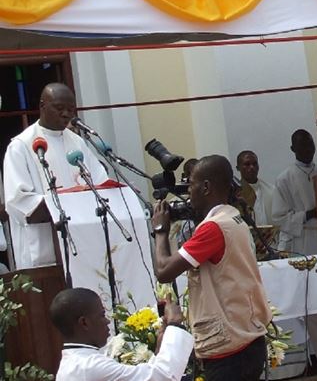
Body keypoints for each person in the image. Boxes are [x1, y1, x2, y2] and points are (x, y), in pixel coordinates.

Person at [152, 155, 272, 381]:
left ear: (206, 187)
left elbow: (164, 271)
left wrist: (160, 229)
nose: (188, 192)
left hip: (229, 347)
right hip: (246, 337)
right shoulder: (233, 216)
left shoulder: (213, 228)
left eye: (191, 184)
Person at [3, 83, 109, 269]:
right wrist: (64, 204)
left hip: (84, 246)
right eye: (59, 108)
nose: (66, 114)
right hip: (44, 252)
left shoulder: (77, 142)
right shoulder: (21, 146)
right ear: (42, 106)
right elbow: (18, 201)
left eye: (70, 109)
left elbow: (100, 184)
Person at [51, 287, 193, 380]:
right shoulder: (89, 366)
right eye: (101, 315)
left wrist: (158, 352)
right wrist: (175, 324)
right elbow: (162, 377)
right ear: (84, 323)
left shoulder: (76, 363)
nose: (107, 321)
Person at [274, 129, 317, 255]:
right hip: (300, 241)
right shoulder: (284, 179)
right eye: (303, 146)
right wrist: (309, 214)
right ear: (293, 149)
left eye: (310, 144)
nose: (308, 149)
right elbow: (279, 218)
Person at [236, 150, 279, 227]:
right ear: (238, 168)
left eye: (254, 164)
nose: (252, 167)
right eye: (247, 164)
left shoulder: (271, 190)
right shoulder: (236, 193)